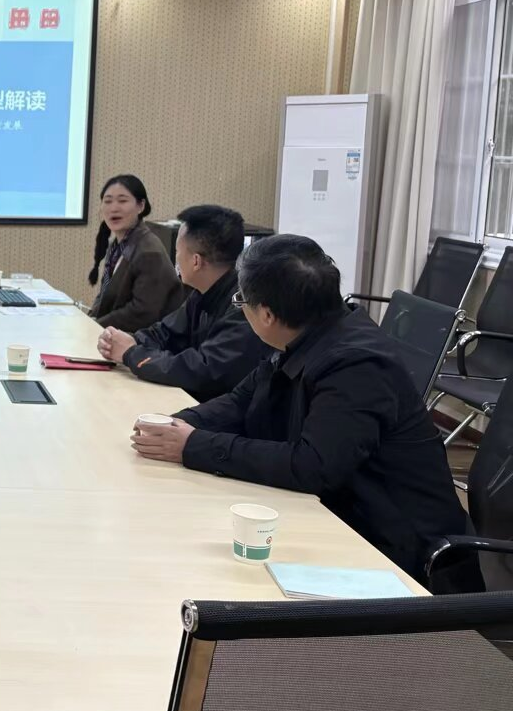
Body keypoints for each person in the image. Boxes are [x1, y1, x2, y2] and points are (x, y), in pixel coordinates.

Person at [129, 235, 477, 589]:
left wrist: (193, 446)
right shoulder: (306, 331)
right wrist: (178, 425)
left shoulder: (357, 364)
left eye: (241, 300)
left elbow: (312, 467)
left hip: (399, 556)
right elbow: (241, 400)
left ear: (266, 315)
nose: (240, 309)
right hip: (343, 515)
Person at [96, 204, 268, 402]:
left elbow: (203, 370)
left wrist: (131, 353)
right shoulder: (202, 291)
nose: (175, 258)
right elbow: (165, 333)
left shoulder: (244, 304)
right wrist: (127, 341)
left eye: (177, 251)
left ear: (196, 261)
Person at [87, 174, 183, 331]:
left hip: (142, 339)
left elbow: (142, 312)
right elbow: (105, 296)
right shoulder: (117, 245)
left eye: (122, 201)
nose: (114, 208)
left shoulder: (149, 251)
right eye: (108, 201)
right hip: (114, 333)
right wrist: (88, 319)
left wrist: (94, 326)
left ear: (141, 206)